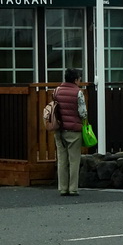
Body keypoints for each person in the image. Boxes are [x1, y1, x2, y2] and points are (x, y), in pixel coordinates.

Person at [53, 68, 87, 197]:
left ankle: (63, 188)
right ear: (75, 79)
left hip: (59, 129)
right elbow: (83, 112)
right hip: (74, 130)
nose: (80, 81)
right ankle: (73, 188)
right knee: (74, 160)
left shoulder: (56, 91)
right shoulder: (78, 92)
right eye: (79, 78)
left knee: (62, 159)